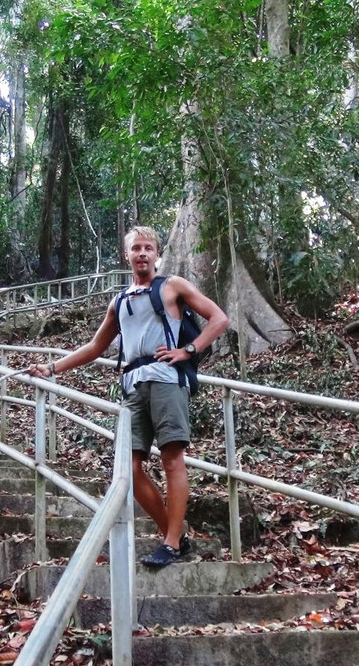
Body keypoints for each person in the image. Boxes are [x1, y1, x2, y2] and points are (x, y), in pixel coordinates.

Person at [28, 226, 229, 567]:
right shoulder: (119, 301)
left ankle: (170, 543)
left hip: (167, 380)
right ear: (127, 255)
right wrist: (51, 367)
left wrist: (188, 350)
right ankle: (175, 538)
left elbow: (219, 318)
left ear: (157, 254)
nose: (142, 253)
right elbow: (96, 346)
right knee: (130, 468)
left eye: (148, 247)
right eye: (136, 248)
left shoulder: (172, 286)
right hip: (133, 384)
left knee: (172, 458)